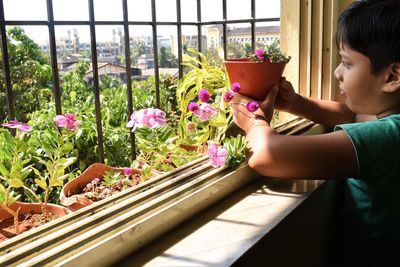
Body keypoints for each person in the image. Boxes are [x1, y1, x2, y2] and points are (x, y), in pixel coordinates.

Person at [230, 0, 400, 266]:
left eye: (346, 63)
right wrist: (297, 104)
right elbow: (355, 116)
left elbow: (267, 155)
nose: (337, 72)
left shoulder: (389, 138)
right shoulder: (388, 122)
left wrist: (254, 122)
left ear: (393, 76)